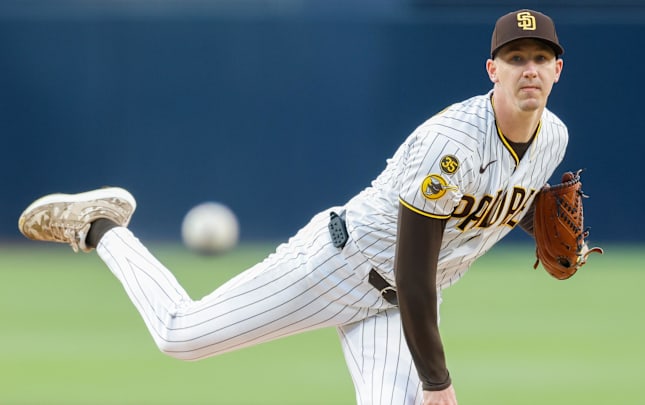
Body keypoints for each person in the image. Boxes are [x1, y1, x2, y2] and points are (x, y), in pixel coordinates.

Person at [19, 9, 570, 405]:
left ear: (557, 70)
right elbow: (414, 264)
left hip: (398, 304)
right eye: (515, 57)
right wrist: (436, 380)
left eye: (540, 58)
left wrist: (532, 222)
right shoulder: (451, 141)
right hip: (338, 265)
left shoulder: (553, 139)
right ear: (492, 70)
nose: (529, 69)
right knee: (179, 335)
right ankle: (100, 227)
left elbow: (496, 196)